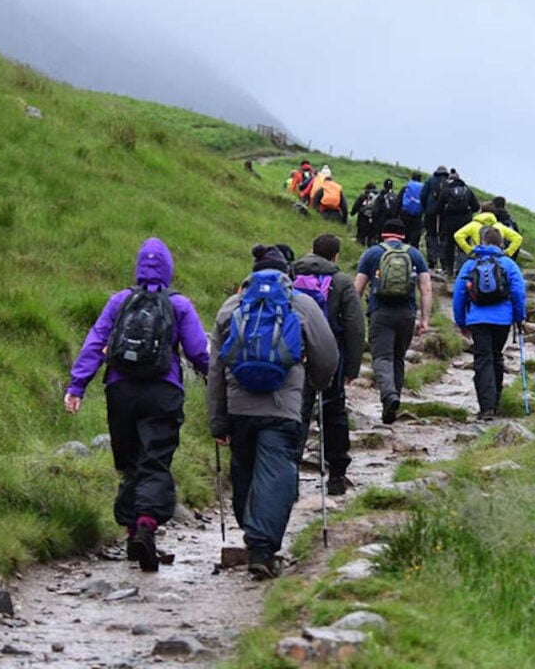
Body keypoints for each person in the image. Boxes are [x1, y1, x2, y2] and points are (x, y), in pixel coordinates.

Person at [64, 238, 210, 572]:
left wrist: (77, 385)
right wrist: (213, 379)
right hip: (163, 391)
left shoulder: (119, 301)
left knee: (129, 461)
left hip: (121, 390)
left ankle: (131, 532)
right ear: (170, 268)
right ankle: (146, 525)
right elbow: (198, 351)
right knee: (155, 460)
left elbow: (95, 342)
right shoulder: (179, 305)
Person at [207, 245, 338, 580]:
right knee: (276, 474)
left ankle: (252, 534)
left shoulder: (232, 306)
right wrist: (318, 383)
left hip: (239, 407)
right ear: (288, 274)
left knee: (245, 473)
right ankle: (262, 549)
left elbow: (217, 368)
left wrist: (218, 419)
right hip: (284, 407)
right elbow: (327, 354)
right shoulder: (302, 304)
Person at [292, 234, 366, 494]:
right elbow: (355, 326)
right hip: (330, 355)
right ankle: (336, 476)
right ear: (335, 255)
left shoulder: (290, 275)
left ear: (312, 250)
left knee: (297, 413)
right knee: (333, 413)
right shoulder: (342, 281)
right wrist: (352, 368)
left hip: (295, 356)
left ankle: (290, 479)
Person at [354, 218, 433, 424]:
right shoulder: (415, 254)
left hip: (380, 312)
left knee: (382, 358)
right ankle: (393, 403)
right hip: (406, 314)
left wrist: (352, 318)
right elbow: (425, 289)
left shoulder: (372, 253)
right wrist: (424, 319)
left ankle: (389, 396)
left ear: (383, 234)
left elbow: (358, 289)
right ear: (403, 235)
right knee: (398, 358)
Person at [452, 228, 526, 420]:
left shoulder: (470, 264)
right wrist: (519, 317)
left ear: (482, 242)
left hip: (477, 319)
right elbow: (518, 293)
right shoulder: (509, 264)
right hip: (502, 320)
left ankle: (486, 408)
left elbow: (459, 294)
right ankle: (496, 401)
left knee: (482, 359)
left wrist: (461, 322)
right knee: (496, 356)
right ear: (501, 243)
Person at [436, 171, 480, 277]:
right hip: (465, 222)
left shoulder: (446, 191)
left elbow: (438, 208)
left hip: (450, 222)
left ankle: (449, 270)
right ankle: (462, 269)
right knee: (463, 245)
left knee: (449, 245)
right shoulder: (467, 190)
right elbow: (476, 207)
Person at [454, 202, 524, 260]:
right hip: (496, 258)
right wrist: (507, 252)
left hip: (478, 257)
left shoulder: (473, 225)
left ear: (481, 211)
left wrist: (469, 251)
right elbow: (518, 238)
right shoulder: (499, 226)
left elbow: (457, 235)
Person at [420, 165, 449, 270]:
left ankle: (432, 261)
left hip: (430, 212)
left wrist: (425, 208)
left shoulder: (430, 181)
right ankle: (443, 262)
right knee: (443, 237)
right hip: (444, 214)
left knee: (431, 235)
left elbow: (423, 195)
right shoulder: (448, 183)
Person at [371, 178, 401, 242]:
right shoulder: (395, 196)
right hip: (392, 220)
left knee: (380, 237)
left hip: (381, 220)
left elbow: (375, 210)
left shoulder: (380, 196)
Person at [400, 171, 424, 248]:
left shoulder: (407, 186)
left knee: (405, 232)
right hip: (418, 214)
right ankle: (414, 250)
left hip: (406, 213)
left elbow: (399, 201)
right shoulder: (423, 188)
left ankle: (403, 247)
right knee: (415, 234)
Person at [350, 182, 378, 246]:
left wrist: (352, 213)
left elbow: (356, 206)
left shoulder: (363, 196)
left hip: (362, 219)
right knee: (371, 238)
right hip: (373, 220)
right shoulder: (377, 197)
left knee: (360, 238)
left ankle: (360, 249)